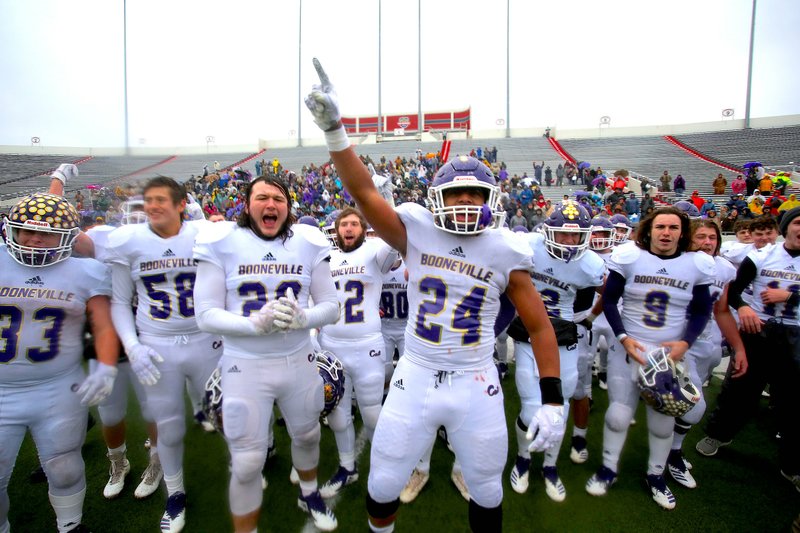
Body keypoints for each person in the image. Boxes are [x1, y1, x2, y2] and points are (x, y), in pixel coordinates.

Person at [306, 58, 563, 533]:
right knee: (383, 483)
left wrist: (552, 398)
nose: (466, 202)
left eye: (475, 194)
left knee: (487, 487)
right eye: (457, 194)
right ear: (436, 200)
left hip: (476, 378)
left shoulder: (506, 249)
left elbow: (540, 325)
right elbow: (362, 192)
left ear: (492, 200)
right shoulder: (416, 230)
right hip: (416, 372)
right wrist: (335, 132)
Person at [193, 174, 340, 532]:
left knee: (307, 435)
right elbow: (205, 314)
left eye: (278, 198)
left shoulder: (307, 242)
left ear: (288, 207)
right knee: (246, 462)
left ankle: (308, 491)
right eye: (262, 197)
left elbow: (332, 306)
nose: (270, 204)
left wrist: (305, 318)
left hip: (299, 360)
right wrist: (253, 324)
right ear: (247, 205)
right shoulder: (222, 240)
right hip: (245, 365)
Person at [106, 177, 223, 533]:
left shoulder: (207, 234)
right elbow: (119, 301)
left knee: (226, 414)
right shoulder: (128, 242)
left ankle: (246, 470)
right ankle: (175, 495)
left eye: (160, 199)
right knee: (168, 426)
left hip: (206, 340)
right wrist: (132, 345)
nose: (152, 206)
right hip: (158, 343)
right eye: (148, 200)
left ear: (181, 204)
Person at [1, 192, 119, 533]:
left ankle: (70, 525)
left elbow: (103, 325)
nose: (34, 239)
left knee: (64, 465)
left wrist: (107, 366)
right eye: (26, 231)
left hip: (56, 387)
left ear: (66, 238)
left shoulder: (86, 272)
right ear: (12, 230)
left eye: (46, 233)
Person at [585, 206, 715, 510]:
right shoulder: (630, 256)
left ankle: (656, 475)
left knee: (662, 420)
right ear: (649, 230)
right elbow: (610, 301)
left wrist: (685, 342)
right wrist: (623, 337)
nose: (666, 233)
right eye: (660, 227)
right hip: (628, 348)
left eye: (672, 227)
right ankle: (608, 468)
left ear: (682, 232)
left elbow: (701, 310)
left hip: (666, 354)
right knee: (618, 415)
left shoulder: (696, 264)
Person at [695, 207, 800, 494]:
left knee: (793, 400)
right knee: (740, 386)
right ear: (786, 228)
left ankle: (791, 462)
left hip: (797, 332)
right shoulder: (762, 256)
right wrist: (742, 306)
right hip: (759, 328)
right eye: (798, 223)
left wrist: (791, 295)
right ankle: (718, 434)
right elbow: (737, 290)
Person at [507, 201, 604, 502]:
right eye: (563, 234)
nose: (570, 242)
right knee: (529, 407)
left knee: (558, 410)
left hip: (563, 334)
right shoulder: (526, 245)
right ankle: (523, 459)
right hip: (527, 333)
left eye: (576, 236)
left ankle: (550, 466)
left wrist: (587, 317)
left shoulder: (591, 265)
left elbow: (611, 293)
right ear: (548, 231)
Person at [317, 208, 399, 498]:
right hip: (332, 345)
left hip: (367, 344)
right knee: (338, 414)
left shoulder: (375, 250)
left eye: (354, 223)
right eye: (344, 224)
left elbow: (394, 243)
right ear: (336, 230)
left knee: (372, 413)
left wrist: (384, 206)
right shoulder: (326, 257)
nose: (349, 228)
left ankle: (381, 466)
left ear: (363, 229)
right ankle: (347, 467)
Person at [665, 220, 746, 489]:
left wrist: (738, 346)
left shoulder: (722, 268)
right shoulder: (674, 263)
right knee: (693, 407)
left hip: (705, 343)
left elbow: (721, 310)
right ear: (688, 239)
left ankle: (671, 451)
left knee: (683, 406)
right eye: (701, 237)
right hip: (676, 342)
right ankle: (672, 454)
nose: (707, 242)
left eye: (712, 237)